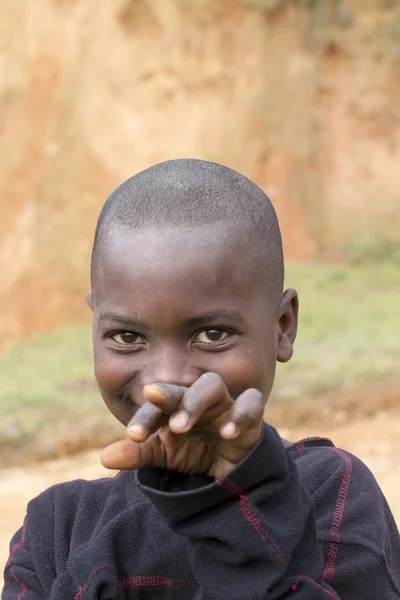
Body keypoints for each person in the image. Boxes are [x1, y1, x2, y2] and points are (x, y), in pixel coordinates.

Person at [2, 159, 399, 600]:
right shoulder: (55, 527)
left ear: (283, 326)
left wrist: (239, 501)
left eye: (213, 334)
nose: (167, 377)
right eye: (127, 335)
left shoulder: (332, 490)